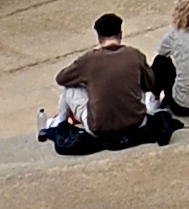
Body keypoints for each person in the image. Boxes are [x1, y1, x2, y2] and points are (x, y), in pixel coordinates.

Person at [44, 13, 168, 155]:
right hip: (137, 122)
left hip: (99, 129)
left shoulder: (88, 60)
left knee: (70, 89)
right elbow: (150, 84)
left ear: (99, 38)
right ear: (120, 34)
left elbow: (62, 78)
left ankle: (60, 120)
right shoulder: (135, 55)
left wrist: (88, 82)